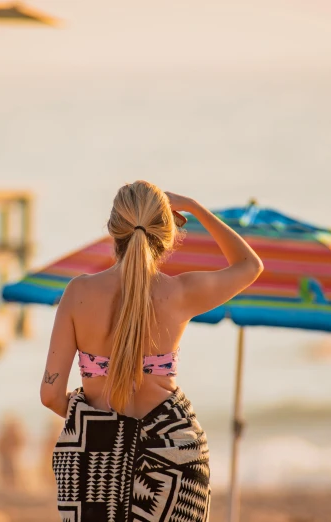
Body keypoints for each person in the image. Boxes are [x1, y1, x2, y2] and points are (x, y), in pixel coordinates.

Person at [40, 181, 263, 522]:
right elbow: (250, 265)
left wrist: (103, 423)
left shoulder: (78, 293)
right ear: (169, 235)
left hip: (96, 460)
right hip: (173, 453)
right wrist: (196, 207)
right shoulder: (180, 292)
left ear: (114, 231)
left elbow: (51, 395)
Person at [0, 414, 25, 492]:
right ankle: (8, 487)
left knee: (13, 471)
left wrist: (13, 451)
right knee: (6, 472)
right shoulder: (4, 435)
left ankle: (14, 487)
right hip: (5, 456)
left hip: (11, 456)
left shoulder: (13, 433)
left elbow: (19, 442)